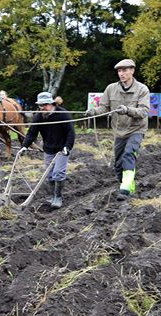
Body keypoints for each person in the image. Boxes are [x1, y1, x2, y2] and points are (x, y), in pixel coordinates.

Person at [86, 58, 150, 200]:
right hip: (119, 130)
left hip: (136, 129)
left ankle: (126, 189)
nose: (121, 73)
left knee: (129, 154)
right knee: (118, 162)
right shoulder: (111, 88)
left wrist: (127, 110)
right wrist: (93, 112)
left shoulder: (142, 89)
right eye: (119, 71)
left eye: (125, 70)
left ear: (132, 71)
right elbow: (104, 108)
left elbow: (144, 112)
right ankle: (126, 183)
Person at [22, 91, 75, 209]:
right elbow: (31, 133)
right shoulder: (39, 117)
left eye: (44, 105)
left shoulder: (63, 114)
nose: (42, 108)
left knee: (58, 173)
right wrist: (24, 146)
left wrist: (67, 147)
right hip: (48, 149)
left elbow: (71, 133)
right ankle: (52, 196)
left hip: (62, 149)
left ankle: (58, 197)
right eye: (40, 106)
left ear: (51, 104)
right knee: (49, 175)